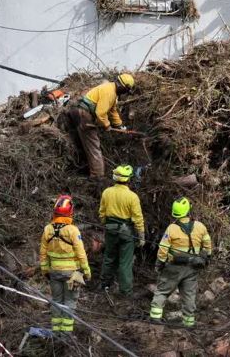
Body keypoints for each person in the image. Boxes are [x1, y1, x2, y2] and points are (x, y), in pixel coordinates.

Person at [150, 197, 212, 327]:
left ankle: (155, 318)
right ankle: (189, 323)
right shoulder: (200, 226)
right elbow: (207, 245)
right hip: (192, 268)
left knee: (162, 291)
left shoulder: (172, 229)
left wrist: (160, 263)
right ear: (188, 211)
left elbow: (163, 248)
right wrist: (207, 258)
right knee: (189, 295)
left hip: (174, 267)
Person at [65, 73, 135, 180]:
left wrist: (120, 125)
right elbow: (101, 113)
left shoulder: (112, 91)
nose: (125, 93)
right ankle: (97, 176)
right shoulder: (109, 92)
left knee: (88, 143)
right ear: (122, 86)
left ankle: (92, 171)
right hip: (84, 114)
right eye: (125, 90)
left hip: (81, 112)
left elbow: (112, 111)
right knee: (93, 145)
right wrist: (107, 126)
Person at [39, 194, 91, 335]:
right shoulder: (73, 230)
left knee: (56, 300)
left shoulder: (48, 229)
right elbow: (81, 253)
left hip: (54, 272)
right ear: (70, 212)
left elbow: (43, 253)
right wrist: (86, 271)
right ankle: (66, 334)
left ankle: (56, 332)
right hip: (72, 274)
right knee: (70, 302)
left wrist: (45, 271)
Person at [99, 165, 145, 297]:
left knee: (109, 258)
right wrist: (141, 236)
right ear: (129, 180)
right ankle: (125, 291)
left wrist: (106, 225)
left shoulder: (107, 192)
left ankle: (104, 285)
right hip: (126, 233)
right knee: (125, 263)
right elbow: (138, 218)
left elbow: (102, 213)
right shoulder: (132, 197)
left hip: (110, 230)